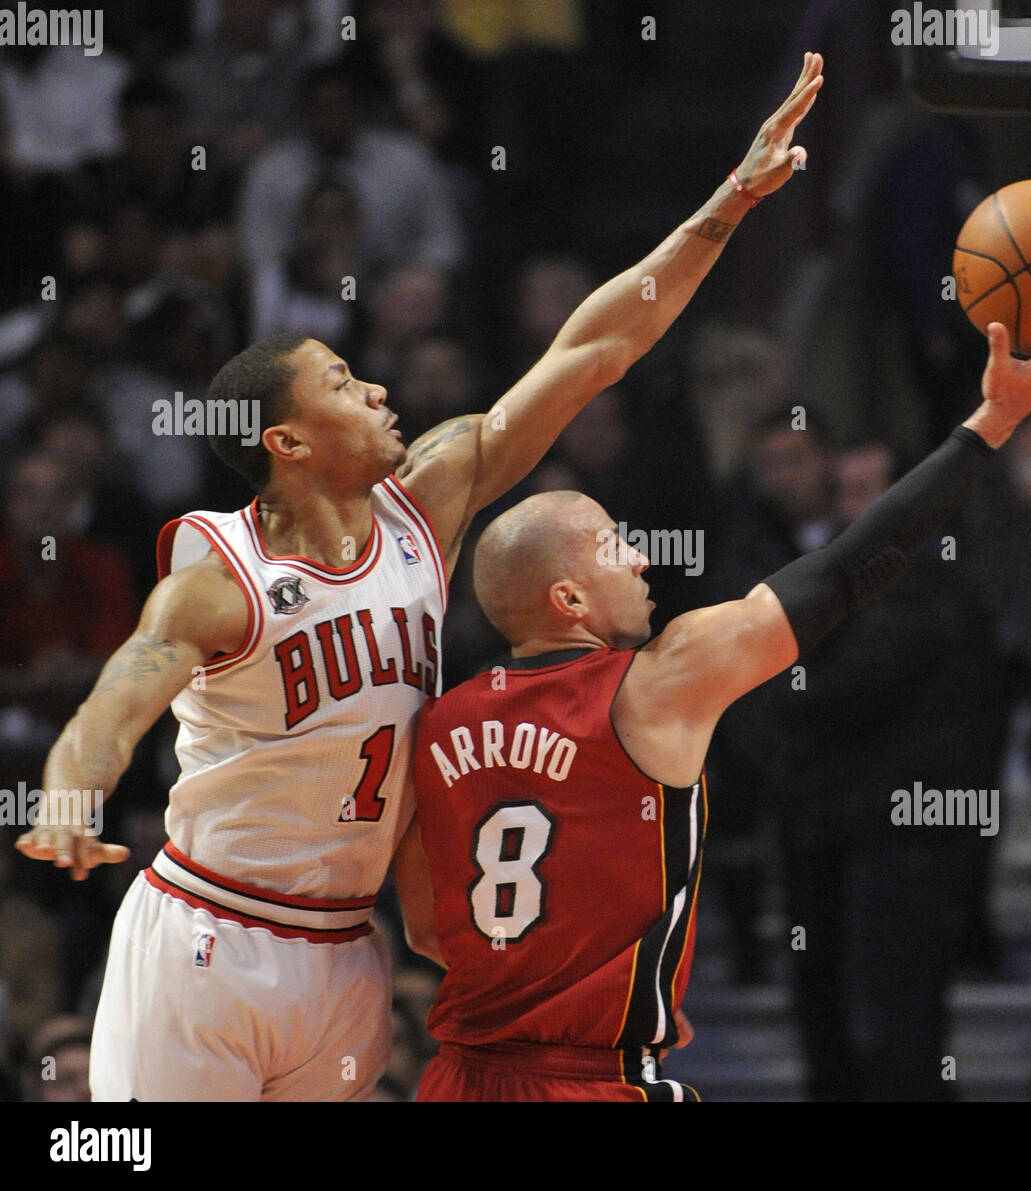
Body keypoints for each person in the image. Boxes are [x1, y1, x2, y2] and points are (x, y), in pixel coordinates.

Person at [15, 51, 828, 1102]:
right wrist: (69, 792)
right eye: (347, 386)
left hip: (347, 947)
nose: (380, 387)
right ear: (290, 442)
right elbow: (121, 693)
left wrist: (729, 200)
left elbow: (596, 347)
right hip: (208, 930)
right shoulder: (221, 574)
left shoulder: (428, 502)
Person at [409, 317, 1031, 1101]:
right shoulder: (652, 684)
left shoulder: (438, 720)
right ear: (568, 596)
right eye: (615, 546)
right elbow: (847, 567)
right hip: (590, 1077)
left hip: (459, 1077)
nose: (644, 556)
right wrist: (984, 428)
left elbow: (423, 926)